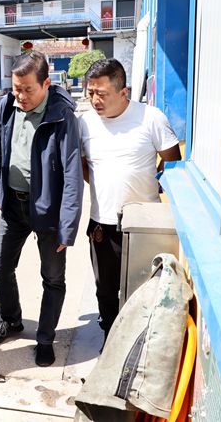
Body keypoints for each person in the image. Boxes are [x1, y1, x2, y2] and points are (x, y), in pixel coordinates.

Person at [0, 51, 83, 367]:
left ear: (46, 84)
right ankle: (11, 320)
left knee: (52, 278)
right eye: (17, 88)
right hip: (13, 206)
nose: (21, 96)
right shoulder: (6, 107)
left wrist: (67, 226)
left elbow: (72, 173)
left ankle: (45, 338)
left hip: (48, 210)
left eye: (28, 89)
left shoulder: (62, 115)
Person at [78, 58, 181, 343]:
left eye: (102, 94)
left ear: (123, 92)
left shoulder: (151, 118)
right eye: (90, 92)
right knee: (105, 289)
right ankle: (111, 341)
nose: (95, 100)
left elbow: (172, 161)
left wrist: (149, 186)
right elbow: (83, 165)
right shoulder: (85, 123)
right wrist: (106, 187)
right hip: (102, 222)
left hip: (145, 225)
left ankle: (140, 344)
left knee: (144, 288)